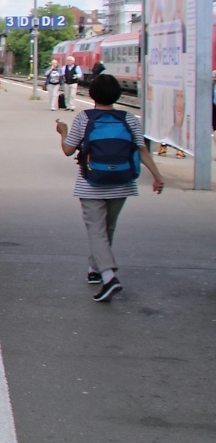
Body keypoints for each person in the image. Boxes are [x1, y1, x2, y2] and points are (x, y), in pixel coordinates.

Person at [55, 74, 164, 302]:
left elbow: (68, 150)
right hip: (122, 182)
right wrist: (157, 176)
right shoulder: (130, 119)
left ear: (92, 94)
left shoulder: (84, 118)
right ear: (117, 94)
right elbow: (142, 150)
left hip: (91, 183)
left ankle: (108, 277)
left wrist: (63, 130)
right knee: (107, 229)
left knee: (96, 230)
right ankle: (95, 270)